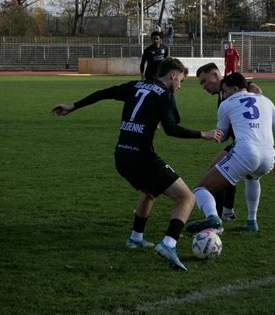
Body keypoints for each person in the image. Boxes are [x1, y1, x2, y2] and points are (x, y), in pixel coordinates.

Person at [51, 57, 223, 271]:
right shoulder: (165, 96)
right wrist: (203, 134)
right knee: (187, 197)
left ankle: (135, 237)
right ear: (173, 75)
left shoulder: (135, 85)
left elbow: (105, 93)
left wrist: (73, 106)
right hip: (142, 158)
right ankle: (169, 244)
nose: (180, 85)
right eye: (180, 80)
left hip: (121, 156)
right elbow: (172, 129)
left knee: (150, 191)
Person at [186, 72, 275, 234]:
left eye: (225, 91)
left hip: (245, 152)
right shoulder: (266, 100)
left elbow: (221, 135)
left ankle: (213, 218)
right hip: (268, 157)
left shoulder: (226, 104)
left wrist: (210, 134)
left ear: (234, 88)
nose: (224, 95)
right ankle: (251, 221)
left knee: (200, 190)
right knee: (253, 177)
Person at [196, 62, 263, 231]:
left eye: (204, 81)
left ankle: (217, 219)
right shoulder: (222, 94)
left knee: (216, 171)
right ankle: (229, 212)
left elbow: (253, 89)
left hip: (245, 142)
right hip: (246, 142)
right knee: (230, 173)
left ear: (215, 75)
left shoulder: (232, 87)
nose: (204, 87)